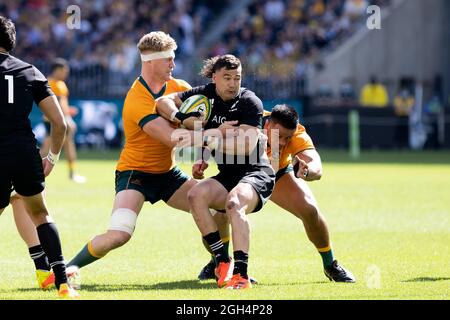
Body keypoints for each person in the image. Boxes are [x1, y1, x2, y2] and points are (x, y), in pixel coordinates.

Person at [66, 32, 230, 278]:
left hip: (167, 174)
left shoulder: (181, 88)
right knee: (120, 233)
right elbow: (170, 137)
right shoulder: (137, 99)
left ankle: (218, 265)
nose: (173, 65)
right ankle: (68, 268)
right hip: (135, 173)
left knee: (220, 211)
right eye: (169, 60)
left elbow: (202, 124)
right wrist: (214, 134)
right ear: (151, 61)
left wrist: (203, 155)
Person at [197, 104, 356, 283]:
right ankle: (219, 262)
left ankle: (330, 265)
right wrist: (201, 158)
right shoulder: (247, 120)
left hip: (276, 173)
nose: (282, 142)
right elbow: (214, 136)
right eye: (279, 136)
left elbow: (315, 163)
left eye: (287, 138)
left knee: (310, 209)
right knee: (217, 220)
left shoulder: (297, 134)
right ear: (267, 125)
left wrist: (307, 171)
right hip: (239, 174)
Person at [156, 54, 276, 290]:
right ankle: (221, 261)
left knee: (234, 203)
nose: (233, 83)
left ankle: (241, 275)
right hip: (228, 174)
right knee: (195, 195)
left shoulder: (250, 102)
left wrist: (209, 138)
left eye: (237, 78)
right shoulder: (206, 94)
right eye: (227, 78)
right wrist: (182, 118)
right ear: (214, 78)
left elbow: (246, 146)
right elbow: (162, 102)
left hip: (256, 171)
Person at [0, 15, 78, 298]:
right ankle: (62, 284)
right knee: (41, 214)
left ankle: (43, 270)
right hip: (23, 152)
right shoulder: (30, 71)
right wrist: (52, 159)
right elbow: (60, 124)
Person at [41, 58, 86, 183]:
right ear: (57, 70)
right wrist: (67, 118)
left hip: (51, 120)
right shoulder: (53, 83)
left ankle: (72, 174)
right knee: (57, 147)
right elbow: (58, 106)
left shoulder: (57, 83)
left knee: (58, 146)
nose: (66, 74)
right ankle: (72, 174)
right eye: (64, 71)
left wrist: (68, 111)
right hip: (57, 121)